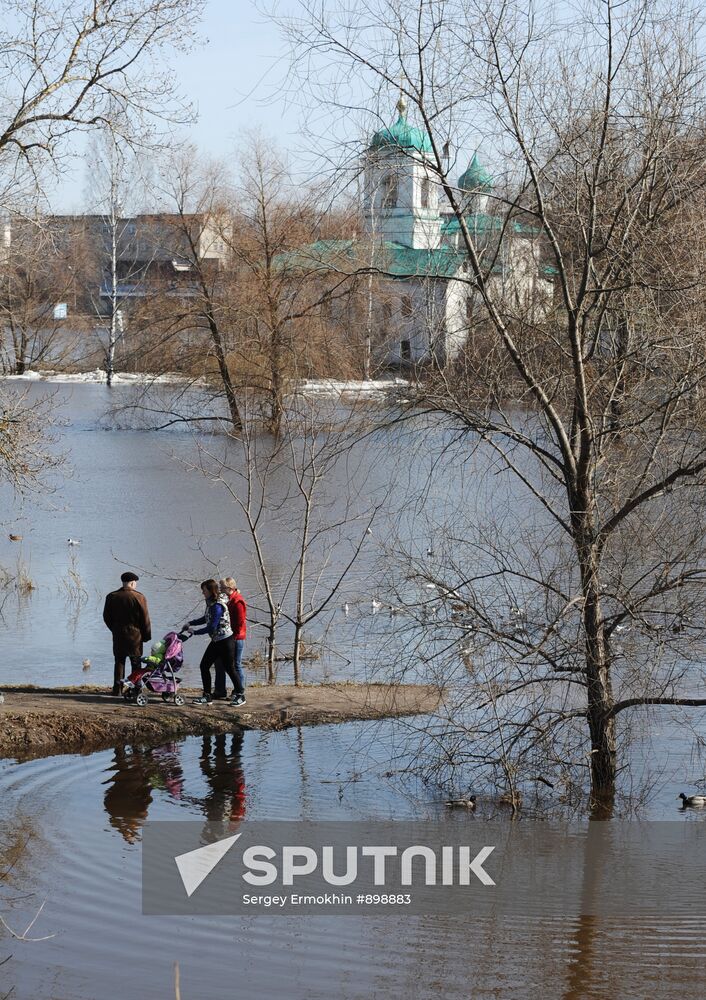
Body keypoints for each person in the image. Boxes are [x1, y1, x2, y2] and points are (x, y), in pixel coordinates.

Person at [184, 579, 244, 706]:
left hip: (226, 641)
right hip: (217, 640)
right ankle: (207, 696)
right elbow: (206, 618)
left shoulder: (217, 606)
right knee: (204, 665)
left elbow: (211, 627)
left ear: (210, 591)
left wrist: (194, 632)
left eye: (204, 590)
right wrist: (191, 623)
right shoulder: (211, 603)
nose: (202, 593)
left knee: (230, 668)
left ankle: (240, 695)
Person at [103, 571, 151, 696]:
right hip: (135, 636)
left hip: (118, 634)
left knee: (119, 661)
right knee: (136, 663)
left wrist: (114, 629)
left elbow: (106, 617)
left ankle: (117, 689)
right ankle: (135, 689)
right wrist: (146, 636)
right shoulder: (139, 597)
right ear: (133, 583)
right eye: (135, 583)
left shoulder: (112, 596)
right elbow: (145, 619)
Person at [217, 577, 247, 704]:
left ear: (229, 588)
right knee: (223, 663)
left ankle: (239, 691)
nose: (220, 590)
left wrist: (233, 637)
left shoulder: (238, 601)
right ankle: (221, 690)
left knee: (236, 664)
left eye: (222, 588)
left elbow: (240, 622)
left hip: (237, 638)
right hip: (229, 637)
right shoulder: (229, 600)